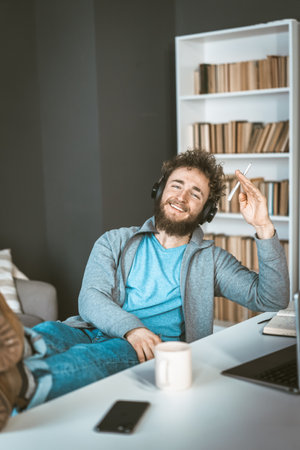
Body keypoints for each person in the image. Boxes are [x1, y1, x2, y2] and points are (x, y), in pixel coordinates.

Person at [0, 149, 289, 430]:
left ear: (207, 212)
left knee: (92, 358)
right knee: (51, 332)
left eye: (195, 194)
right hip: (89, 328)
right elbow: (90, 298)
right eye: (176, 186)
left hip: (151, 349)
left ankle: (20, 383)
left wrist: (263, 225)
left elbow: (272, 298)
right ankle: (19, 347)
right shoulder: (114, 241)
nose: (182, 197)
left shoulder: (212, 261)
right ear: (160, 190)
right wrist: (131, 327)